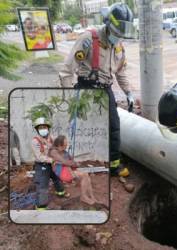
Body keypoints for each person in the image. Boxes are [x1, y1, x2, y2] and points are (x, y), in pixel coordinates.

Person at [59, 2, 136, 178]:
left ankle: (114, 166)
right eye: (116, 33)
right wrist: (68, 95)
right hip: (86, 88)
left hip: (104, 90)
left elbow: (121, 73)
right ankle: (68, 164)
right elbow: (67, 70)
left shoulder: (119, 47)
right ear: (108, 24)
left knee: (114, 127)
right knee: (76, 127)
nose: (119, 37)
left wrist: (129, 93)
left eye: (121, 34)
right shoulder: (89, 39)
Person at [49, 135, 102, 206]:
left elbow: (71, 161)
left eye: (66, 144)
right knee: (84, 175)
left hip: (67, 169)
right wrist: (71, 162)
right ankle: (83, 197)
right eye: (65, 145)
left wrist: (73, 162)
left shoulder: (63, 151)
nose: (66, 146)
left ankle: (92, 197)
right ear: (59, 145)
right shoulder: (54, 152)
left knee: (86, 176)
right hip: (61, 172)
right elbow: (66, 162)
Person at [31, 117, 69, 210]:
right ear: (37, 129)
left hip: (52, 164)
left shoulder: (52, 138)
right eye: (40, 128)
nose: (43, 129)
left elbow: (59, 146)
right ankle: (41, 206)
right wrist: (52, 160)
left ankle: (60, 193)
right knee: (43, 185)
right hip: (42, 166)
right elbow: (39, 157)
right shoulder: (35, 141)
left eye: (44, 127)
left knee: (57, 178)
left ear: (48, 128)